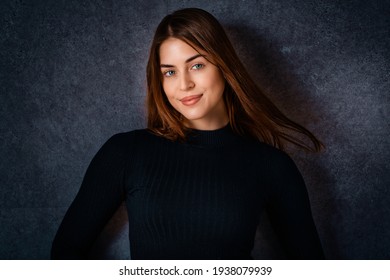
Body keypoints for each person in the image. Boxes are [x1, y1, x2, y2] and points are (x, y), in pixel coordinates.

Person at [51, 8, 325, 260]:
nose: (184, 84)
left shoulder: (272, 166)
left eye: (197, 65)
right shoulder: (125, 152)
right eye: (170, 72)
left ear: (224, 66)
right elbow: (64, 255)